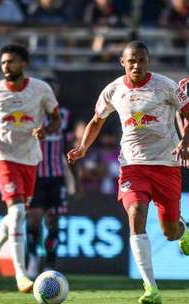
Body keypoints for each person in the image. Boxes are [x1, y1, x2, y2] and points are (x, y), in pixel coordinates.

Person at [67, 40, 189, 304]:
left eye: (141, 60)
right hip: (132, 166)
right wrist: (83, 147)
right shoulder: (113, 90)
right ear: (122, 62)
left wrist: (185, 140)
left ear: (148, 61)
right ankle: (151, 289)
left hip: (166, 165)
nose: (136, 65)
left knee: (170, 232)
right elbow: (97, 121)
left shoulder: (166, 86)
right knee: (135, 213)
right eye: (131, 60)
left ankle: (184, 230)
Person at [0, 44, 61, 293]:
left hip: (30, 158)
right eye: (3, 62)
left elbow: (57, 118)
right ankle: (21, 275)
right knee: (19, 211)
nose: (6, 67)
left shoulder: (41, 89)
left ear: (23, 63)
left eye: (11, 62)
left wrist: (46, 130)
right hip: (3, 156)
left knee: (17, 214)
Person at [25, 75, 74, 279]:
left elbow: (68, 148)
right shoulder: (28, 114)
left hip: (56, 177)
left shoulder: (64, 115)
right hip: (34, 177)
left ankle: (50, 264)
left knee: (53, 221)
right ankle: (33, 259)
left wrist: (75, 179)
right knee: (34, 220)